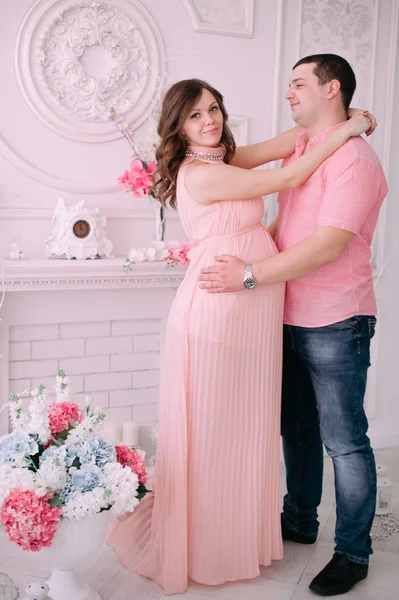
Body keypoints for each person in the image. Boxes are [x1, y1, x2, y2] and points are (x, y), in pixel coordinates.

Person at [106, 77, 371, 595]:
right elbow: (292, 171)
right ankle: (208, 546)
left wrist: (340, 118)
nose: (210, 122)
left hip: (250, 308)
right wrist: (356, 127)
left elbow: (284, 144)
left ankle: (237, 534)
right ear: (178, 129)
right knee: (215, 434)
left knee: (241, 430)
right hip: (220, 309)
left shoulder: (220, 159)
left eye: (214, 110)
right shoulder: (200, 174)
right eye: (195, 116)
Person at [198, 54, 388, 597]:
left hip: (337, 320)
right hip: (288, 316)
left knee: (344, 442)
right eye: (288, 85)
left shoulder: (355, 160)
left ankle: (353, 553)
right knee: (297, 430)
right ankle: (300, 520)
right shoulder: (306, 147)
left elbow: (327, 245)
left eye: (298, 84)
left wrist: (249, 274)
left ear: (332, 89)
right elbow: (287, 221)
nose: (289, 93)